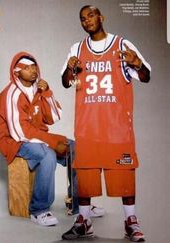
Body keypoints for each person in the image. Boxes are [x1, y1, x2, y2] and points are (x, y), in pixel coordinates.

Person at [61, 5, 151, 242]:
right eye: (82, 18)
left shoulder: (123, 45)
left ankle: (130, 221)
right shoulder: (77, 49)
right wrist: (70, 70)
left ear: (102, 17)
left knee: (124, 174)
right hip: (88, 127)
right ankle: (84, 221)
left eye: (90, 15)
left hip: (116, 127)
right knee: (86, 175)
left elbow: (146, 76)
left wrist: (138, 63)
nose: (86, 21)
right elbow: (65, 82)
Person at [0, 51, 72, 226]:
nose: (32, 70)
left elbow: (53, 117)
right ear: (16, 72)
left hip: (34, 137)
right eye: (26, 68)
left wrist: (48, 94)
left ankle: (76, 203)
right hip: (13, 141)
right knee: (48, 155)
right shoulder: (11, 94)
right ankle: (39, 210)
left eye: (33, 66)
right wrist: (52, 142)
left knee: (74, 148)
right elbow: (19, 132)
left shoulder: (38, 89)